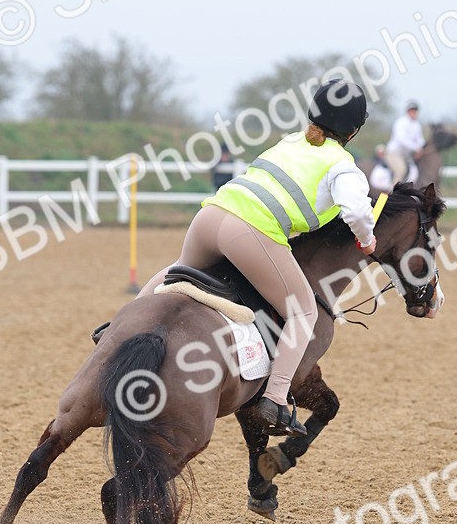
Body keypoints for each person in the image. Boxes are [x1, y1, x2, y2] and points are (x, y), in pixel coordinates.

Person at [140, 79, 375, 437]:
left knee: (178, 274)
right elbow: (357, 211)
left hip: (210, 215)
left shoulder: (291, 140)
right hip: (249, 231)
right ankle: (276, 399)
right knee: (304, 311)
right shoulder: (342, 165)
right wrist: (368, 241)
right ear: (354, 131)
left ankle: (117, 330)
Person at [385, 101, 426, 185]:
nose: (413, 112)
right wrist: (416, 148)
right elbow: (401, 140)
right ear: (408, 111)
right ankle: (393, 194)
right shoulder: (401, 122)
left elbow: (420, 140)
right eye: (411, 110)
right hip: (394, 154)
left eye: (415, 110)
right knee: (401, 170)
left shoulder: (417, 125)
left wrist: (422, 148)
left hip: (406, 157)